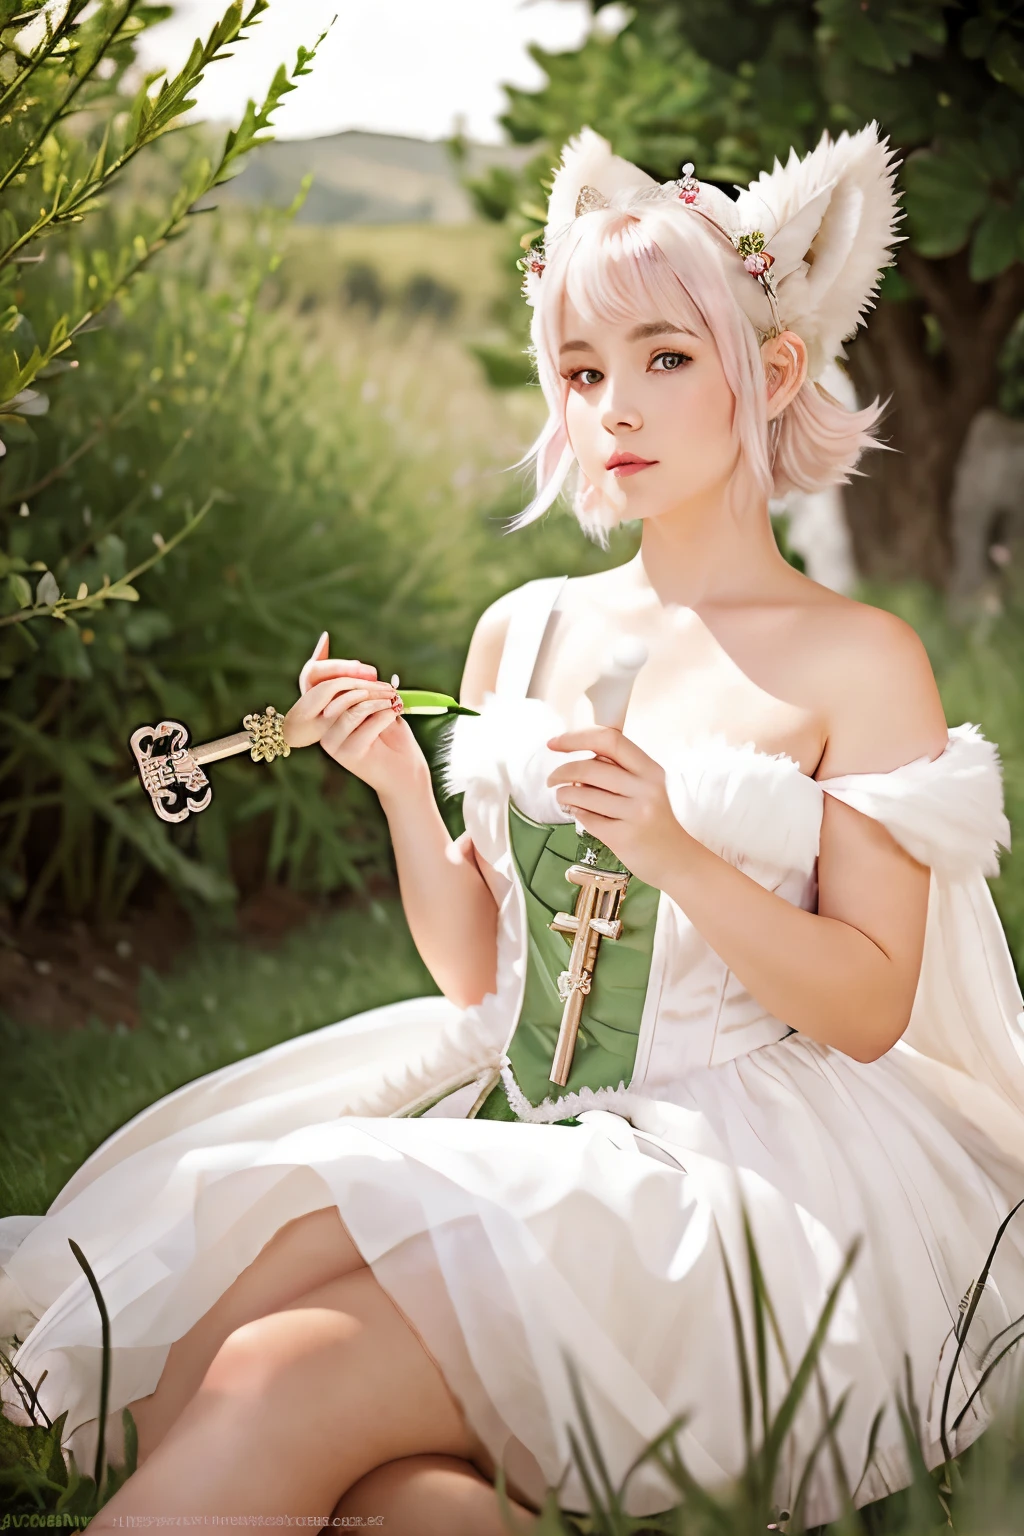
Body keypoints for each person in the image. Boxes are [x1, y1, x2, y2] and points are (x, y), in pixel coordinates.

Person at [4, 120, 1024, 1535]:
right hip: (523, 1102)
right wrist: (404, 795)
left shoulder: (858, 661)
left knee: (271, 1374)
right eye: (586, 370)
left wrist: (676, 852)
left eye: (668, 359)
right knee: (245, 1378)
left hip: (726, 1171)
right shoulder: (527, 628)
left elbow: (866, 1005)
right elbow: (478, 976)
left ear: (772, 369)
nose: (617, 408)